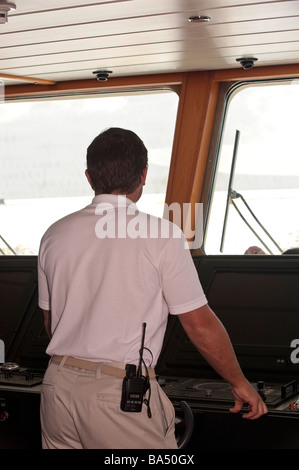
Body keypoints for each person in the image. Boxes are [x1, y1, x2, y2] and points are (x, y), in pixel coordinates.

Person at [38, 127, 267, 450]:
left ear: (89, 177)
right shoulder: (162, 236)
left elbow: (51, 322)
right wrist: (239, 383)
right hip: (118, 394)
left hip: (57, 387)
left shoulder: (54, 234)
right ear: (144, 175)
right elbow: (200, 326)